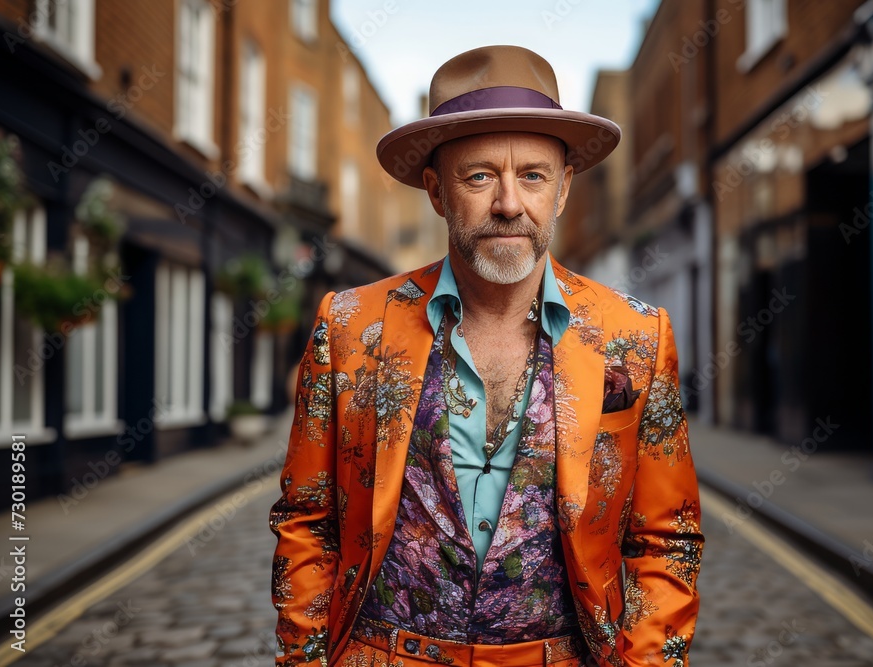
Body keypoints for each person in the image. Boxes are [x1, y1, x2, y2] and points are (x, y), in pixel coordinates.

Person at [269, 45, 704, 667]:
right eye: (479, 176)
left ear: (562, 190)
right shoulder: (347, 326)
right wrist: (306, 660)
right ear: (436, 191)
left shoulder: (636, 334)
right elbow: (307, 519)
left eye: (533, 175)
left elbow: (667, 538)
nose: (508, 203)